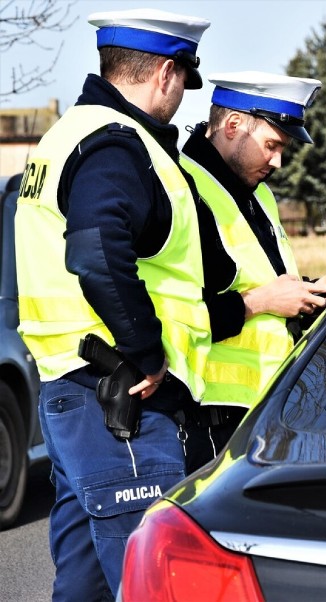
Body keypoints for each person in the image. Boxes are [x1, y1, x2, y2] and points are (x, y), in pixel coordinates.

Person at [15, 9, 211, 600]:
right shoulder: (117, 144)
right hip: (117, 392)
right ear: (167, 73)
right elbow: (97, 252)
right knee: (152, 577)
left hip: (74, 391)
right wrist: (148, 353)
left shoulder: (66, 133)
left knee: (88, 579)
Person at [179, 71, 326, 469]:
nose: (279, 161)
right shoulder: (180, 188)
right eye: (271, 145)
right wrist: (260, 302)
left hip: (261, 411)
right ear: (232, 126)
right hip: (206, 417)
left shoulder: (257, 191)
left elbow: (264, 284)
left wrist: (314, 290)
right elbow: (174, 312)